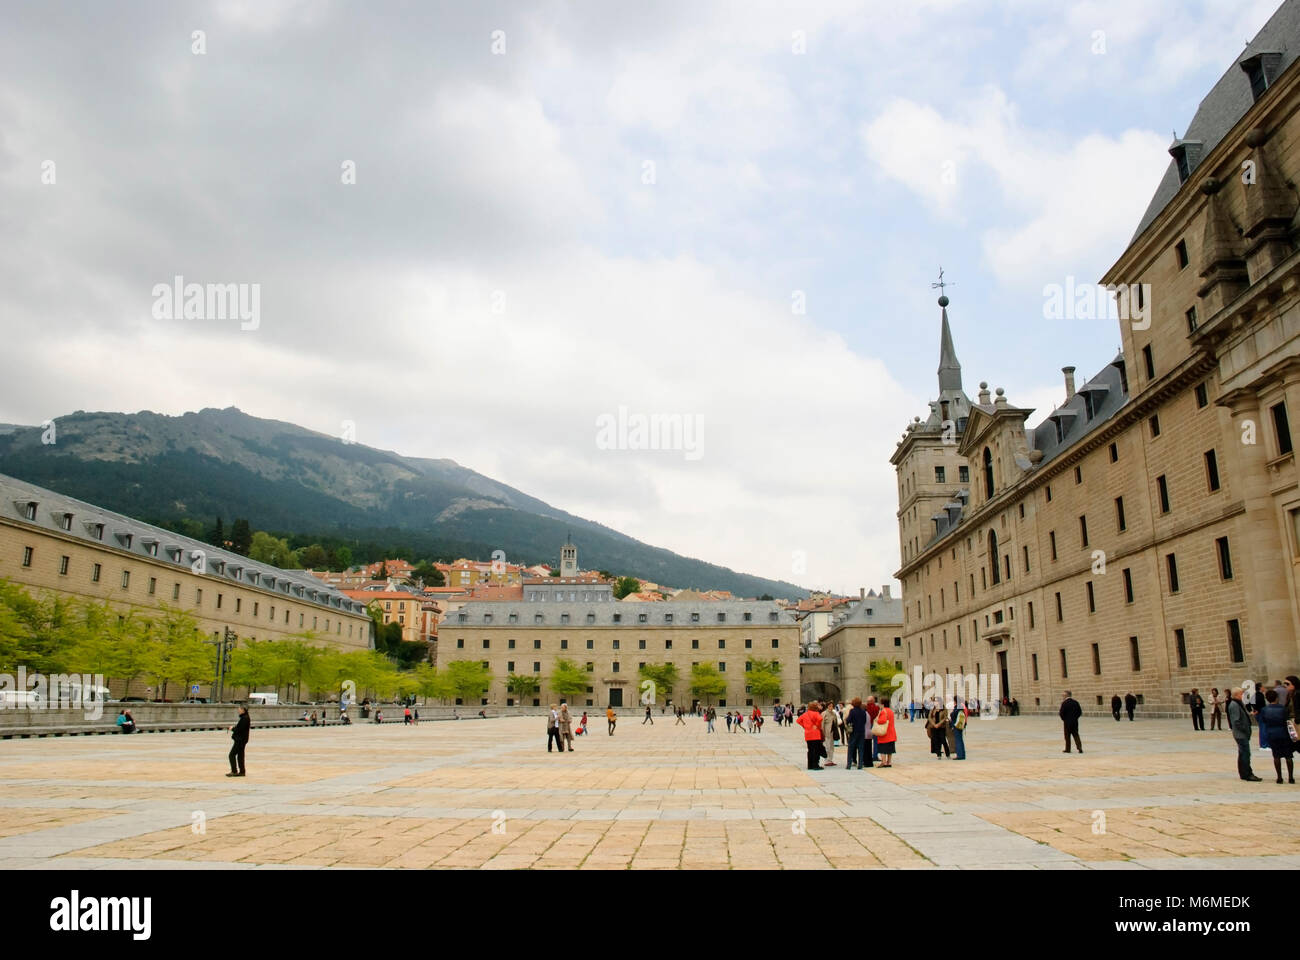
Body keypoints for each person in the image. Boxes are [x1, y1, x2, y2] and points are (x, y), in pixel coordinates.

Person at [1260, 690, 1295, 784]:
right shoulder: (1283, 708)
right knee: (1288, 756)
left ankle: (1279, 777)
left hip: (1272, 734)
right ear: (1276, 698)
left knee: (1276, 756)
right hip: (1284, 733)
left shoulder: (1264, 710)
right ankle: (1291, 777)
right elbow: (1287, 720)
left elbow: (1263, 720)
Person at [1228, 687, 1263, 782]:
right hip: (1240, 734)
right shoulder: (1234, 705)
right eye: (1241, 694)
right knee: (1245, 754)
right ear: (1237, 695)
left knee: (1243, 753)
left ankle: (1244, 773)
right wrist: (1245, 729)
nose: (1243, 696)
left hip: (1242, 733)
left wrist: (1251, 714)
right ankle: (1247, 774)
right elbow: (1236, 721)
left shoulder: (1238, 704)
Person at [798, 701, 824, 771]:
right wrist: (817, 725)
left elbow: (798, 720)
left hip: (808, 734)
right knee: (816, 750)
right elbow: (820, 719)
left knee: (810, 750)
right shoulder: (816, 713)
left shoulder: (805, 714)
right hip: (815, 734)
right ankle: (815, 765)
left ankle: (810, 765)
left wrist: (804, 726)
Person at [845, 698, 869, 770]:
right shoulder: (863, 711)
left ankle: (849, 765)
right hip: (861, 731)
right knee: (860, 748)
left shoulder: (852, 711)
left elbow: (848, 720)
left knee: (851, 748)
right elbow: (865, 721)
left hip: (854, 731)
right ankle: (860, 764)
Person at [227, 706, 250, 777]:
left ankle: (234, 771)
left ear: (243, 710)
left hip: (240, 740)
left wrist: (232, 728)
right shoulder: (245, 718)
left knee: (231, 755)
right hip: (242, 740)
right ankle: (242, 771)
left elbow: (239, 729)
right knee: (240, 756)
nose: (238, 711)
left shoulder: (244, 718)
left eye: (239, 709)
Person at [875, 697, 897, 767]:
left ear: (883, 704)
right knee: (890, 749)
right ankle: (889, 762)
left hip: (885, 734)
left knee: (882, 748)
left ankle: (883, 762)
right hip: (891, 733)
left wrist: (877, 720)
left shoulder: (883, 711)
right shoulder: (890, 711)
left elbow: (882, 721)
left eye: (880, 703)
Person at [820, 700, 837, 766]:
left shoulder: (834, 713)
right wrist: (823, 732)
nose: (831, 707)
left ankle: (830, 759)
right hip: (826, 732)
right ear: (827, 706)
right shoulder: (824, 713)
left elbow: (835, 723)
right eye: (830, 706)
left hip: (833, 732)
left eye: (832, 706)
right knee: (827, 746)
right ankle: (826, 760)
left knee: (832, 746)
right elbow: (822, 724)